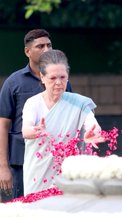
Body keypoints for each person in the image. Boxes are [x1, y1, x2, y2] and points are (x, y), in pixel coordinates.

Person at [0, 29, 72, 200]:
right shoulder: (13, 82)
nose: (47, 49)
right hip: (21, 163)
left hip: (54, 162)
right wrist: (3, 166)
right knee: (23, 215)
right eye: (40, 46)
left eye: (49, 45)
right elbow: (3, 125)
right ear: (27, 51)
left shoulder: (61, 82)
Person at [22, 49, 104, 195]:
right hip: (37, 175)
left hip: (68, 177)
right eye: (53, 78)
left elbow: (91, 123)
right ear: (42, 77)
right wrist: (37, 131)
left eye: (63, 77)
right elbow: (26, 130)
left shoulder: (78, 103)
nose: (59, 83)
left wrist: (93, 132)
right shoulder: (33, 103)